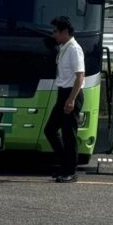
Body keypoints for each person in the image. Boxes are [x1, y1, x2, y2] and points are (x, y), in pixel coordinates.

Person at [45, 16, 85, 183]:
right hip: (63, 93)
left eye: (56, 31)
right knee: (50, 130)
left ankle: (71, 171)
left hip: (71, 94)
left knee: (69, 134)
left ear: (65, 32)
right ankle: (64, 164)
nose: (53, 34)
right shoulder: (64, 47)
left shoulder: (74, 49)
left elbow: (80, 76)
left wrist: (71, 99)